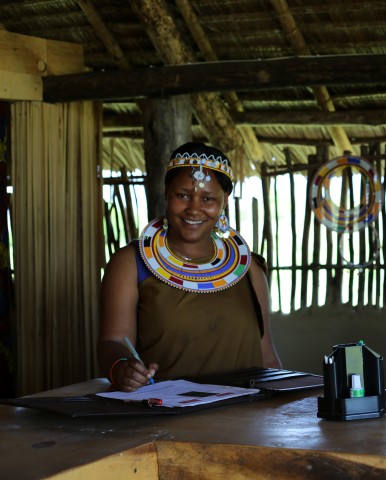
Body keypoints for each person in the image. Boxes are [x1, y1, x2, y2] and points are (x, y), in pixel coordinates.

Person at [98, 142, 281, 392]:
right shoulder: (130, 263)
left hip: (246, 419)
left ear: (224, 202)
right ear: (166, 194)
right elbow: (114, 341)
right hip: (167, 417)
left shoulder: (247, 268)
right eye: (182, 195)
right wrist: (121, 367)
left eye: (208, 198)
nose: (194, 208)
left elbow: (267, 356)